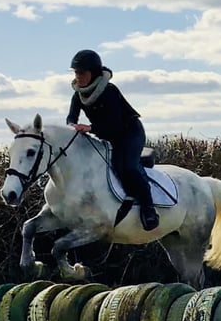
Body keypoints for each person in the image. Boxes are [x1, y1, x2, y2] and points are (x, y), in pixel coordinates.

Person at [66, 49, 160, 231]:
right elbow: (71, 118)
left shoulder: (109, 91)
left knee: (126, 167)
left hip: (130, 133)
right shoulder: (78, 94)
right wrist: (72, 127)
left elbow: (115, 125)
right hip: (108, 135)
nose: (78, 77)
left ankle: (149, 209)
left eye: (82, 73)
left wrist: (89, 128)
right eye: (76, 73)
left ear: (93, 73)